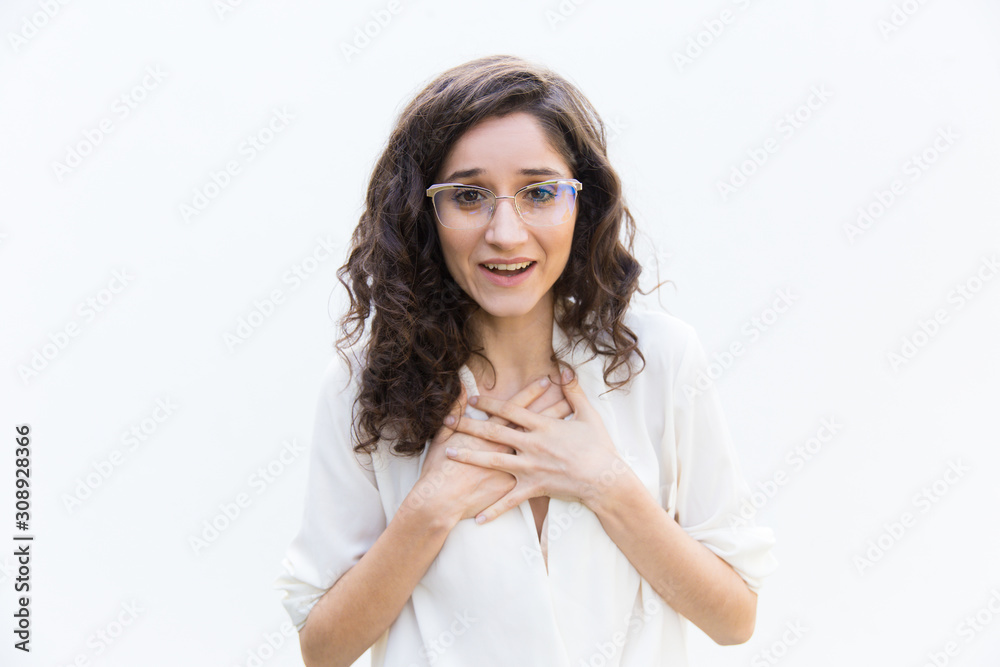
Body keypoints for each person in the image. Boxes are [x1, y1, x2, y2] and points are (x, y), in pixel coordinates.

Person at [273, 54, 778, 667]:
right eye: (469, 196)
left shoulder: (661, 360)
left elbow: (734, 619)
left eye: (539, 192)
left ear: (580, 206)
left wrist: (604, 482)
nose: (506, 233)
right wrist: (430, 508)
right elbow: (322, 650)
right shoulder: (362, 386)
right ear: (425, 214)